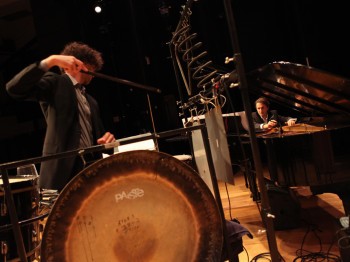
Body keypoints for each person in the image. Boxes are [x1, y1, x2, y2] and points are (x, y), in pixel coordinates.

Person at [6, 41, 116, 191]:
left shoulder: (91, 101)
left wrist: (107, 141)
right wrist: (50, 61)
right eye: (92, 69)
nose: (94, 75)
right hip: (62, 172)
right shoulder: (57, 83)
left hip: (90, 170)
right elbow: (14, 88)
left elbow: (98, 139)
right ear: (81, 66)